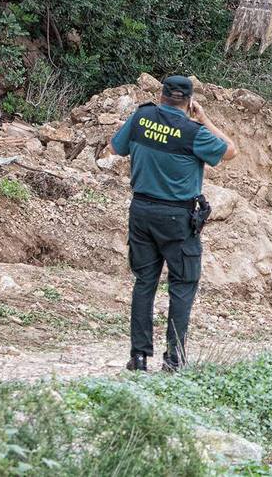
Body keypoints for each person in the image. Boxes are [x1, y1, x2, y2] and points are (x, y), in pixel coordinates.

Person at [111, 75, 238, 372]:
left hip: (141, 211)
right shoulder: (194, 132)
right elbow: (231, 150)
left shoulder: (142, 117)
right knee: (182, 285)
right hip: (178, 218)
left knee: (145, 282)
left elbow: (116, 148)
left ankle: (139, 356)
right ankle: (174, 358)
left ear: (162, 95)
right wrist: (204, 118)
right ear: (189, 101)